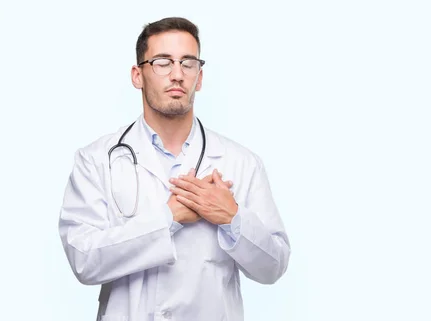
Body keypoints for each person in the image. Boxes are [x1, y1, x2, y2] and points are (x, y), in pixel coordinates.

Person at [57, 16, 290, 321]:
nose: (177, 74)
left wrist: (232, 217)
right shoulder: (97, 159)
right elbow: (83, 261)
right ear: (137, 75)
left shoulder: (241, 163)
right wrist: (168, 217)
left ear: (200, 77)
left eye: (188, 63)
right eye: (163, 62)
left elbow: (273, 266)